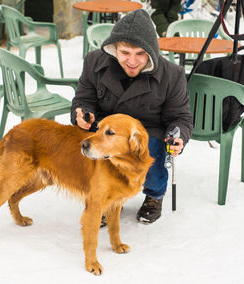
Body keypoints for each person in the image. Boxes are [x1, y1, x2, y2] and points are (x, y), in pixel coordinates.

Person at [70, 9, 193, 224]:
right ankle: (104, 196)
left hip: (149, 130)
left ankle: (154, 195)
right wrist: (82, 113)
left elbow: (180, 117)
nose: (132, 61)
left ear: (151, 52)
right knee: (89, 147)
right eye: (125, 53)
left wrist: (178, 135)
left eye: (140, 53)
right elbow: (84, 97)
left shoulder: (172, 75)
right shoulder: (94, 62)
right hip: (106, 128)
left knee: (150, 153)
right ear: (114, 48)